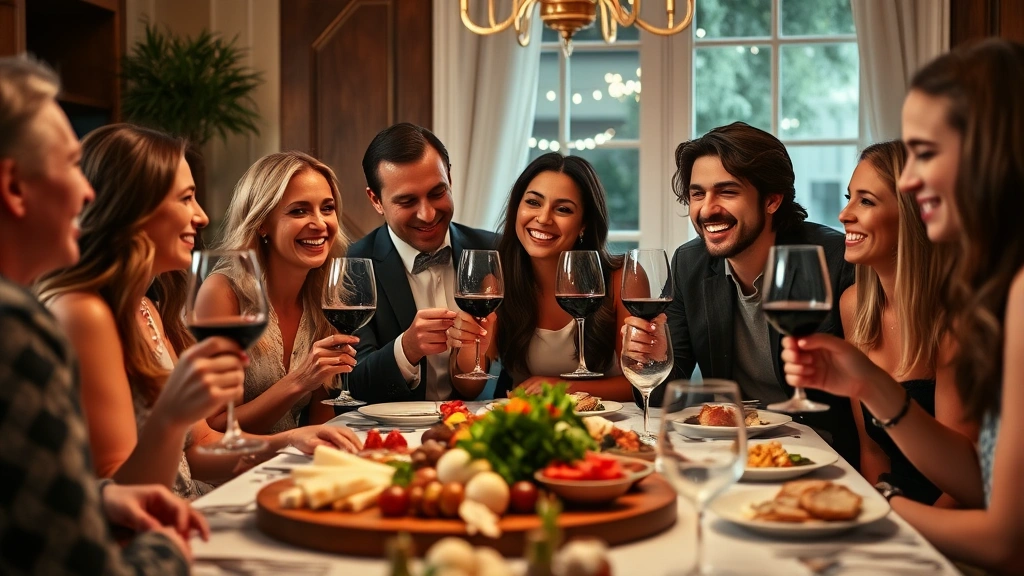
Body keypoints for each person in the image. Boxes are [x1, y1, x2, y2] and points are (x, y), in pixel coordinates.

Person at [782, 39, 1024, 573]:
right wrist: (870, 385)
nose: (912, 181)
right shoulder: (999, 294)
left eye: (927, 153)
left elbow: (1004, 541)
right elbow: (977, 477)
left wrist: (872, 510)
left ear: (992, 153)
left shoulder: (1002, 302)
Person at [36, 123, 361, 500]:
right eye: (186, 198)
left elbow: (198, 448)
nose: (203, 216)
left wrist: (290, 441)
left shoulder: (148, 309)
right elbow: (119, 492)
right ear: (135, 206)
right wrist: (173, 416)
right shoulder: (86, 314)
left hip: (185, 511)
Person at [0, 55, 201, 575]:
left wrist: (98, 498)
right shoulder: (16, 325)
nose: (88, 191)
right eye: (70, 164)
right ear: (14, 187)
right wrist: (167, 554)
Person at [639, 121, 859, 466]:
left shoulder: (834, 259)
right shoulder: (689, 263)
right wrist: (653, 360)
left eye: (727, 192)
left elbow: (865, 395)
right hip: (729, 450)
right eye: (698, 194)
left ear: (772, 200)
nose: (707, 209)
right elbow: (670, 394)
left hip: (824, 452)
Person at [838, 141, 976, 504]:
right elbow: (872, 452)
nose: (844, 214)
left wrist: (901, 530)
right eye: (849, 197)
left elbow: (964, 486)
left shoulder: (955, 320)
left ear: (915, 215)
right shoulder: (855, 306)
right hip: (891, 509)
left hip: (950, 523)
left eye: (865, 201)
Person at [447, 152, 633, 401]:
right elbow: (470, 388)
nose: (543, 218)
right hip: (531, 428)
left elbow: (637, 387)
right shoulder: (496, 283)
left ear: (584, 224)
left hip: (612, 429)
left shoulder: (620, 279)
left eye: (563, 209)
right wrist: (470, 344)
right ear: (517, 208)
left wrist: (560, 387)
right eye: (533, 203)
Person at [197, 151, 357, 434]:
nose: (320, 223)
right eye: (299, 210)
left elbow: (321, 422)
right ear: (261, 224)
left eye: (327, 208)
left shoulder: (326, 297)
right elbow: (216, 427)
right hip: (232, 474)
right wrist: (300, 380)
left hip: (290, 464)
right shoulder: (223, 293)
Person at [346, 122, 498, 403]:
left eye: (437, 193)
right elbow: (353, 384)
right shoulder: (352, 267)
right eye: (407, 201)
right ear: (376, 200)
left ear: (450, 178)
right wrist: (406, 349)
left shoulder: (495, 252)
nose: (427, 215)